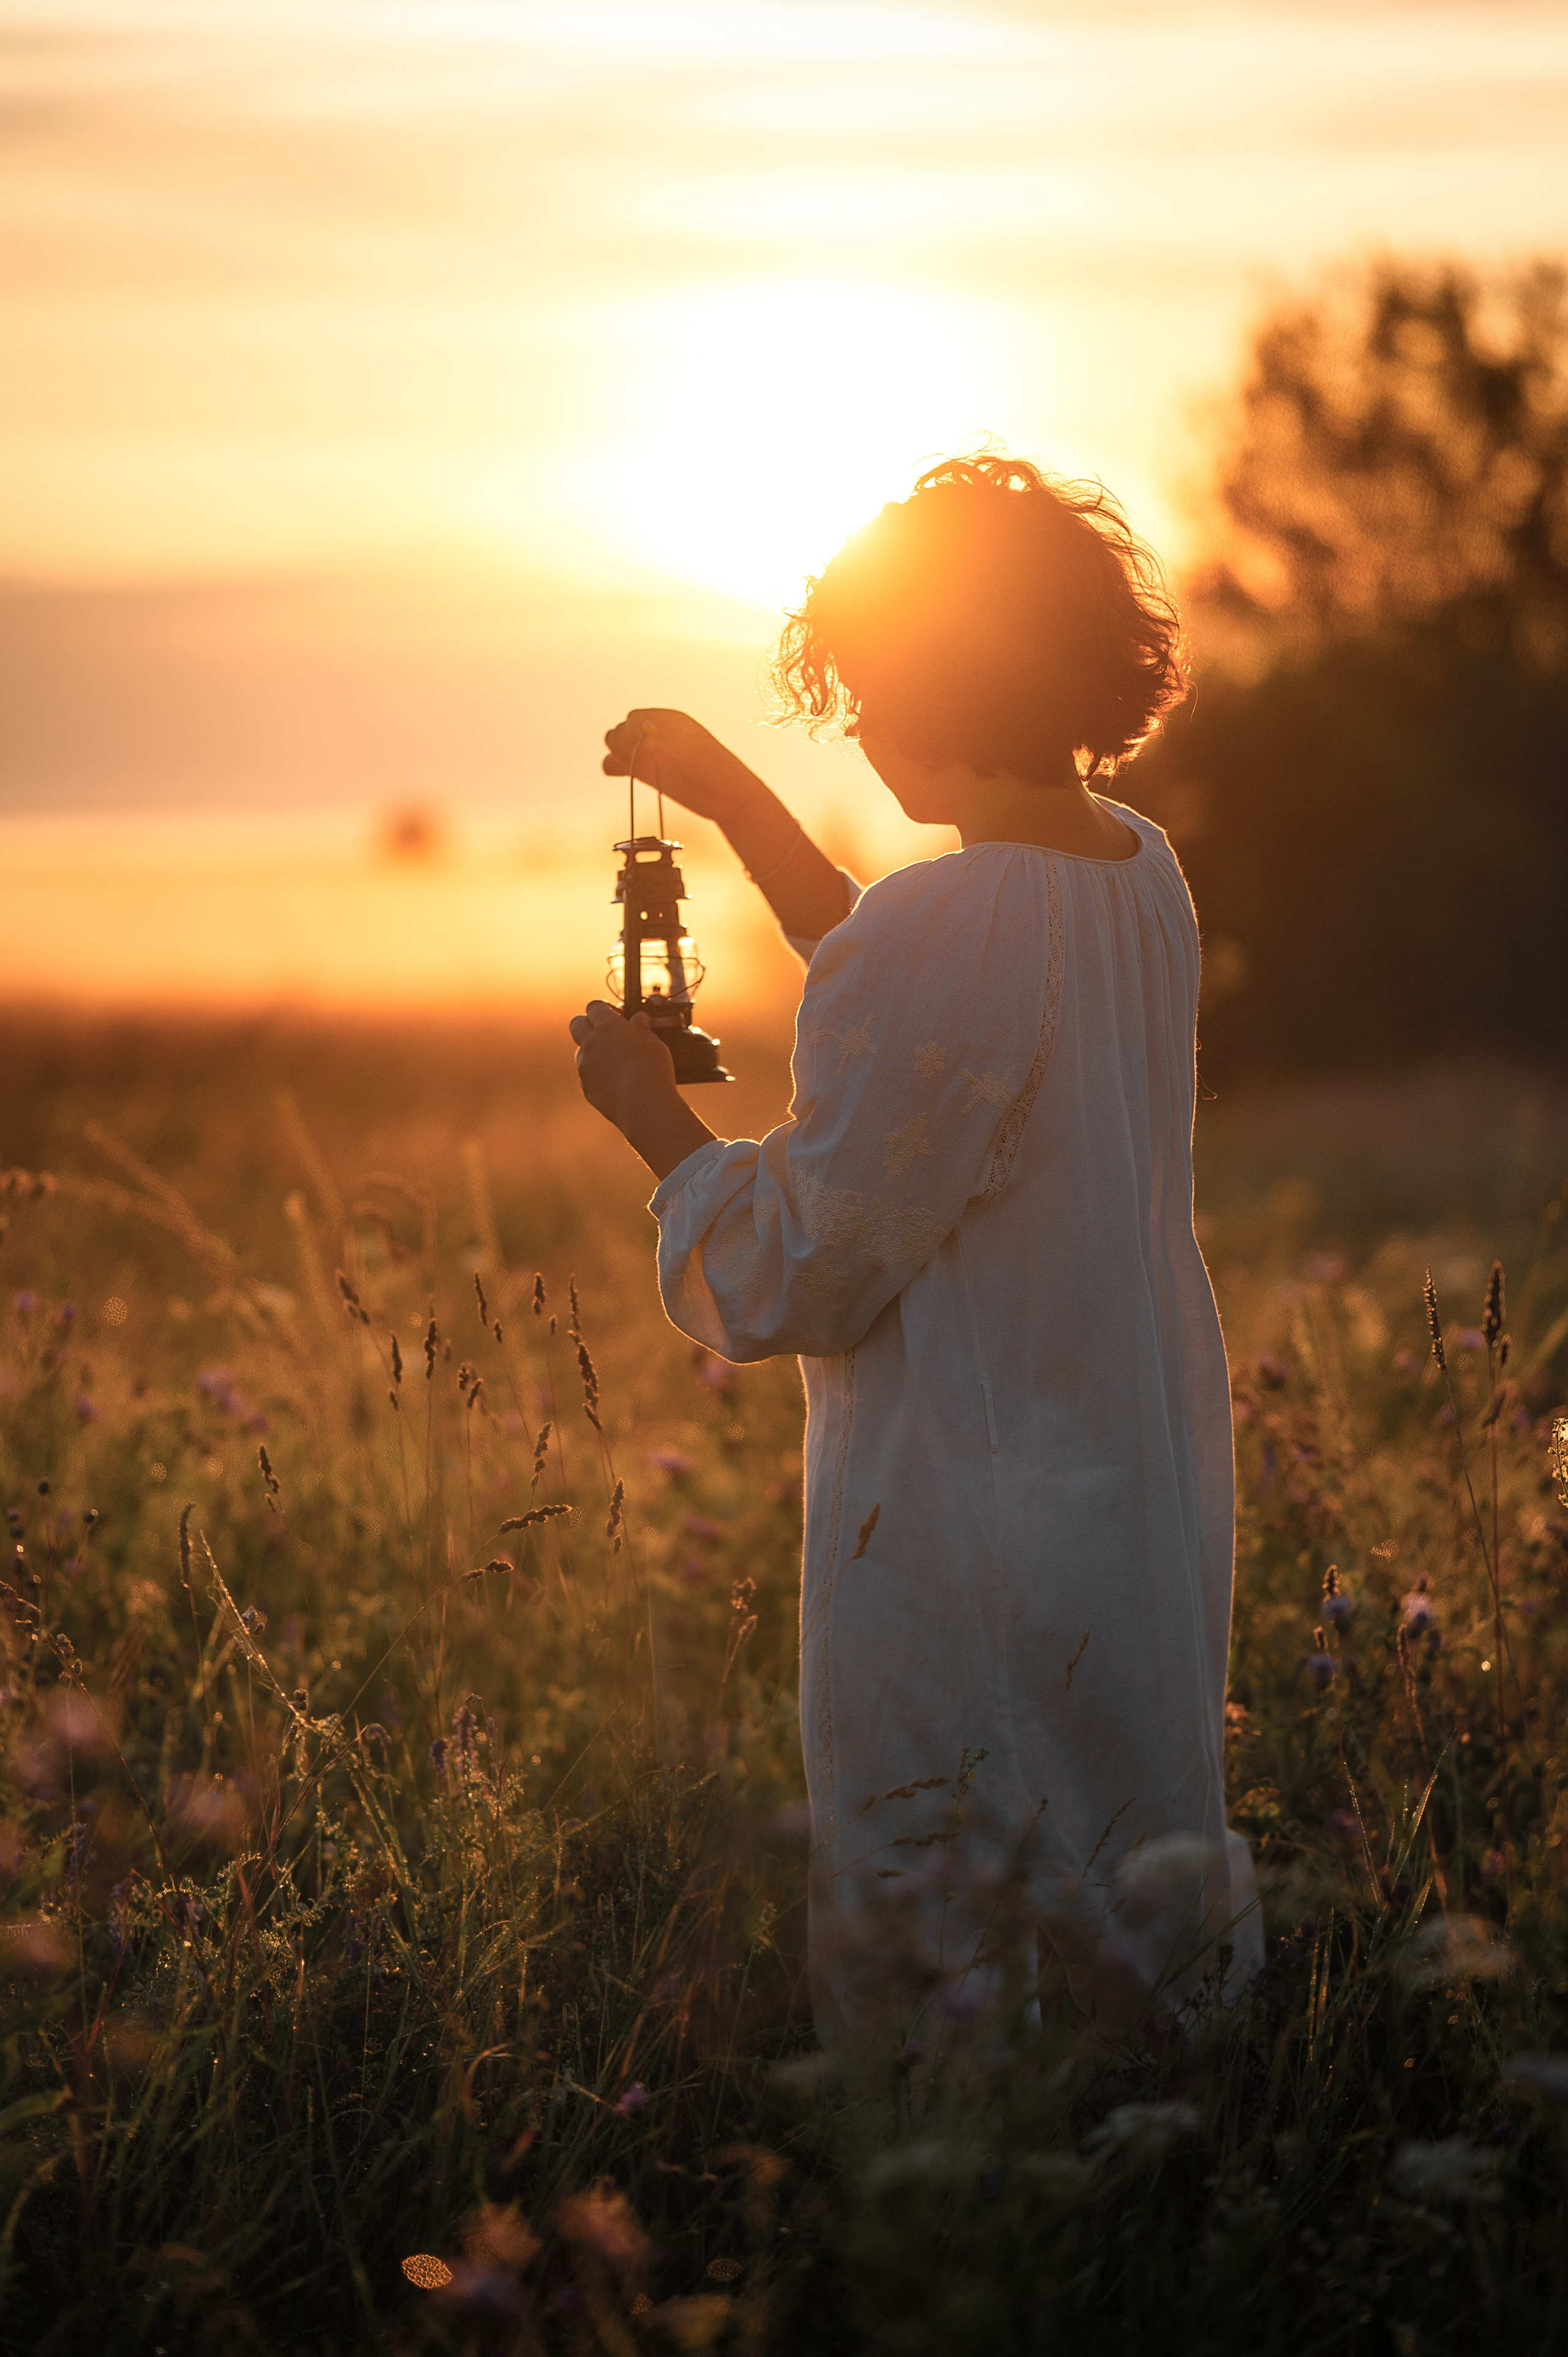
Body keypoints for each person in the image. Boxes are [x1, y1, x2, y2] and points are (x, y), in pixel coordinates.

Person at [570, 456, 1261, 2056]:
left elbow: (799, 1268)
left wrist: (652, 1125)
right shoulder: (1137, 866)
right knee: (1124, 1847)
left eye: (872, 690)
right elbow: (910, 971)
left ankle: (970, 2207)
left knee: (959, 1885)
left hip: (969, 1500)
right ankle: (1173, 2165)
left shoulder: (954, 935)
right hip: (1125, 1467)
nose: (864, 726)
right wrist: (738, 800)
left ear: (937, 684)